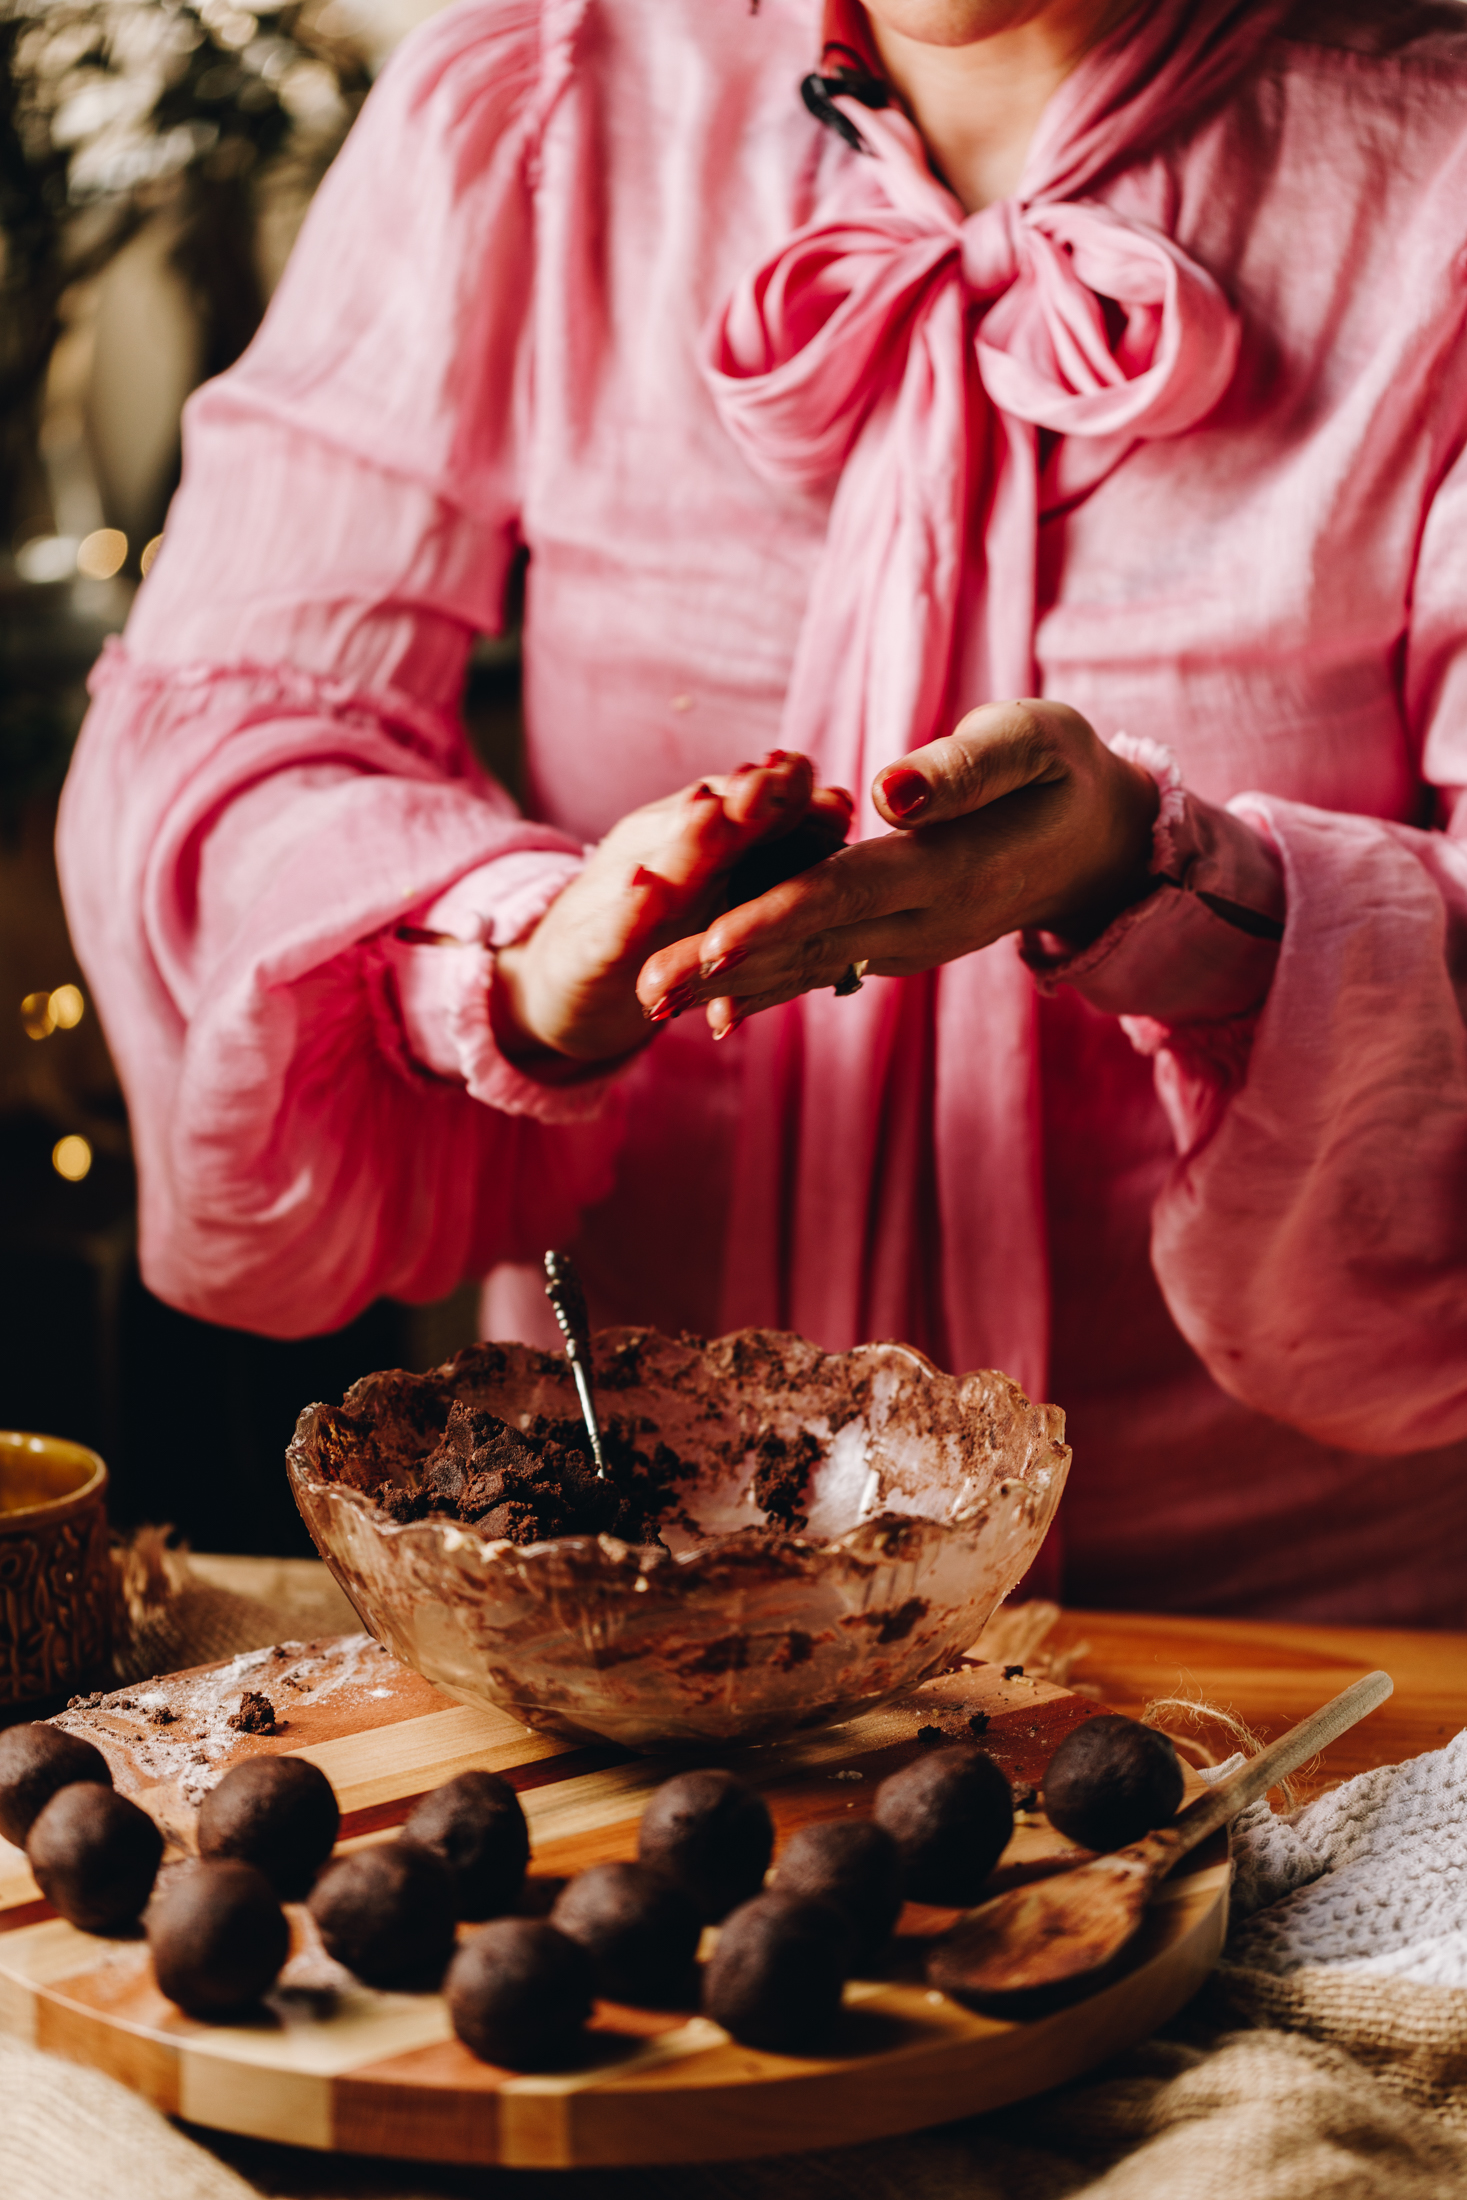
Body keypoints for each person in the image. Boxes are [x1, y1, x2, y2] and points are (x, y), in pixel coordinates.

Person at [57, 0, 1467, 1623]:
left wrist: (1167, 890)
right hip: (623, 1605)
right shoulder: (537, 108)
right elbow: (228, 718)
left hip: (1292, 1652)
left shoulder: (1437, 163)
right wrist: (509, 967)